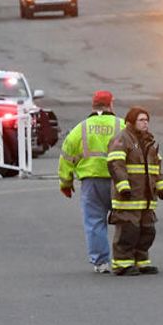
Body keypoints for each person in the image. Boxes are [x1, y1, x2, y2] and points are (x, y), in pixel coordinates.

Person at [58, 91, 125, 273]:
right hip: (119, 182)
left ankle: (101, 262)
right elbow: (135, 149)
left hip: (91, 181)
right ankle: (125, 258)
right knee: (126, 219)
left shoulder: (81, 128)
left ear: (93, 106)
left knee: (95, 221)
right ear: (111, 105)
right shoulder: (121, 125)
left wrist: (66, 183)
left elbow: (66, 156)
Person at [106, 106, 163, 275]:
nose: (145, 123)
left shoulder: (150, 142)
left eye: (147, 120)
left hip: (146, 197)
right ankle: (122, 264)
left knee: (147, 230)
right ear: (131, 121)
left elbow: (157, 166)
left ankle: (141, 261)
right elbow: (115, 164)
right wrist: (123, 186)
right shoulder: (122, 139)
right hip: (128, 197)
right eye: (141, 120)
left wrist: (162, 186)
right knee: (128, 231)